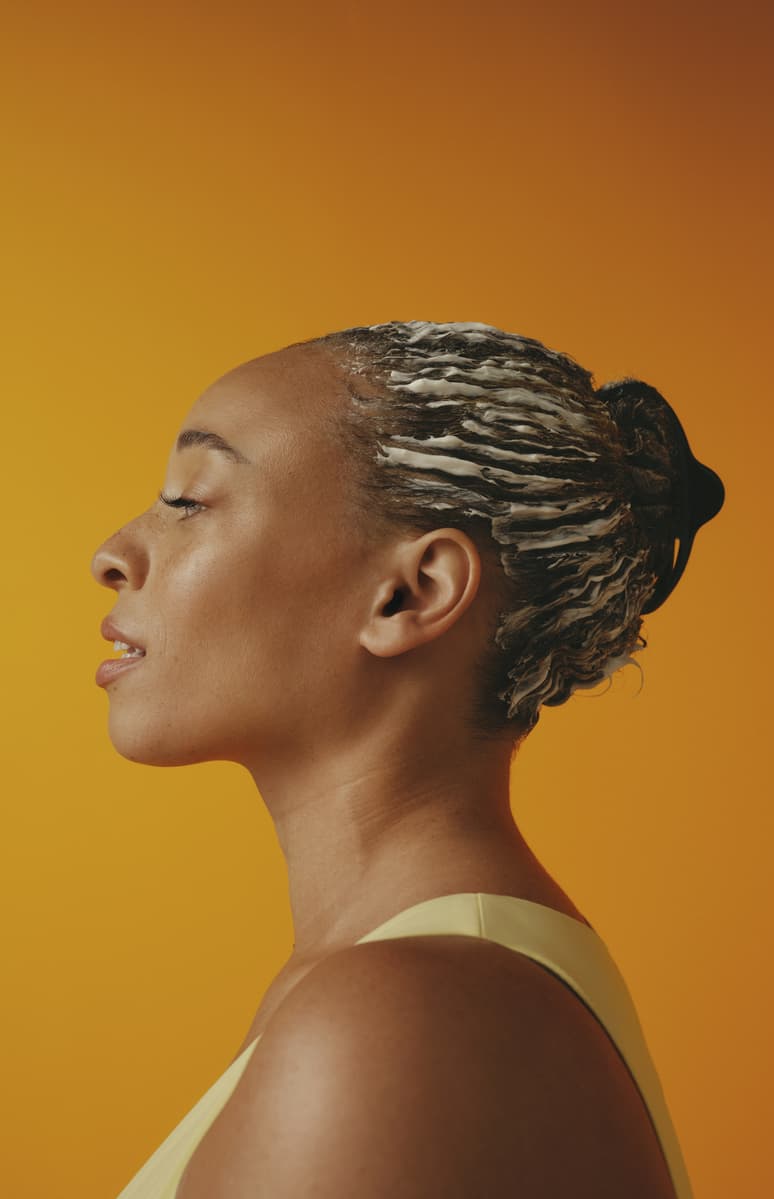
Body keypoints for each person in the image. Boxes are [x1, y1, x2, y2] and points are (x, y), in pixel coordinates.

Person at [91, 320, 724, 1198]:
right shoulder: (421, 987)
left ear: (410, 593)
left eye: (190, 499)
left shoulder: (395, 1021)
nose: (113, 556)